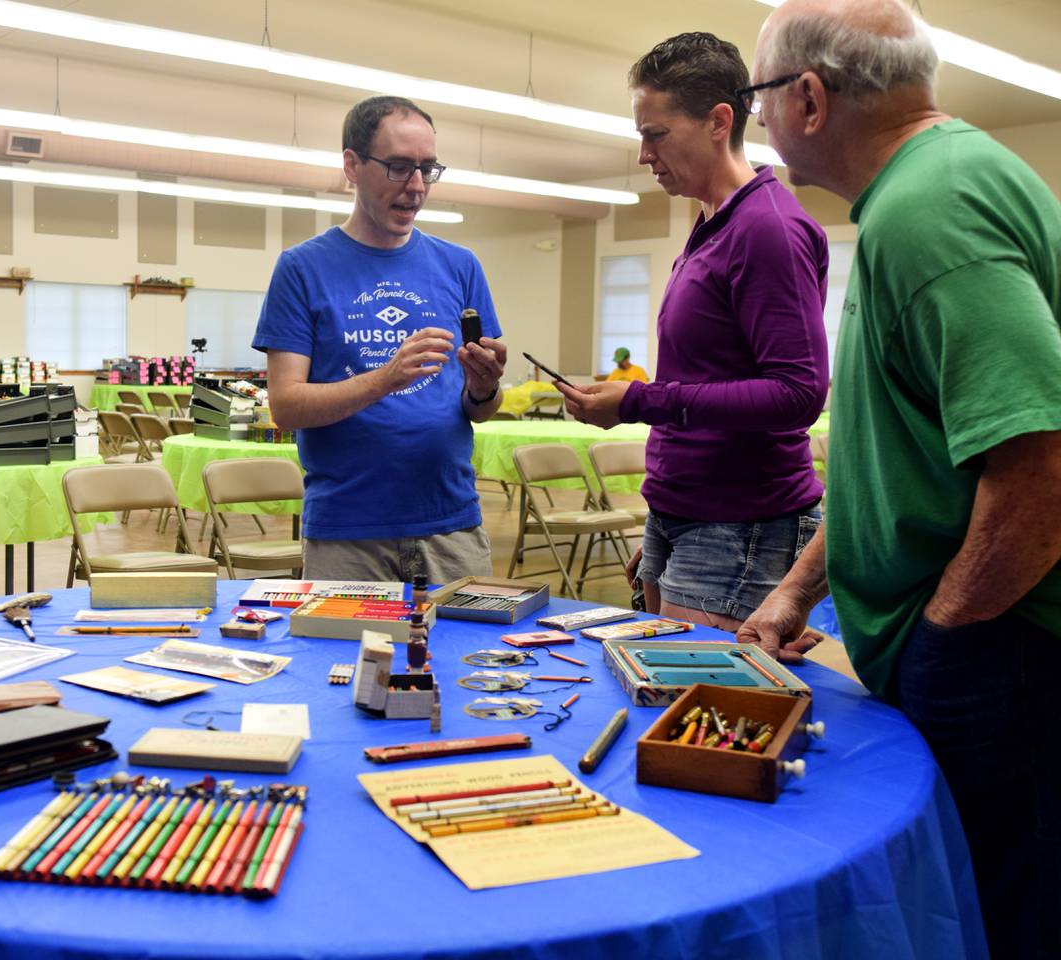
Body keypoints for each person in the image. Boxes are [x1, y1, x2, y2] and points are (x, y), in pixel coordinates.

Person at [737, 2, 1061, 954]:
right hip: (986, 638)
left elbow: (1043, 461)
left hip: (1005, 647)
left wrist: (946, 641)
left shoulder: (932, 212)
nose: (759, 122)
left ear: (806, 97)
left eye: (759, 98)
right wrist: (800, 586)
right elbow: (907, 458)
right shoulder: (936, 186)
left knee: (1004, 909)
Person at [555, 32, 830, 631]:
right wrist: (666, 521)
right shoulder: (712, 223)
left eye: (656, 135)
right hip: (686, 512)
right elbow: (706, 379)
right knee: (659, 698)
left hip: (739, 519)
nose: (643, 155)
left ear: (718, 121)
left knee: (698, 710)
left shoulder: (767, 229)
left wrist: (638, 400)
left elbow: (798, 392)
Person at [252, 95, 508, 583]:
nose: (415, 187)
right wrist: (386, 378)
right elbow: (286, 406)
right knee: (346, 660)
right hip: (348, 532)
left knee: (464, 659)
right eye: (398, 167)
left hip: (451, 524)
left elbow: (481, 408)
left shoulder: (460, 266)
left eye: (427, 169)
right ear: (352, 165)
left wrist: (484, 388)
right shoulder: (302, 268)